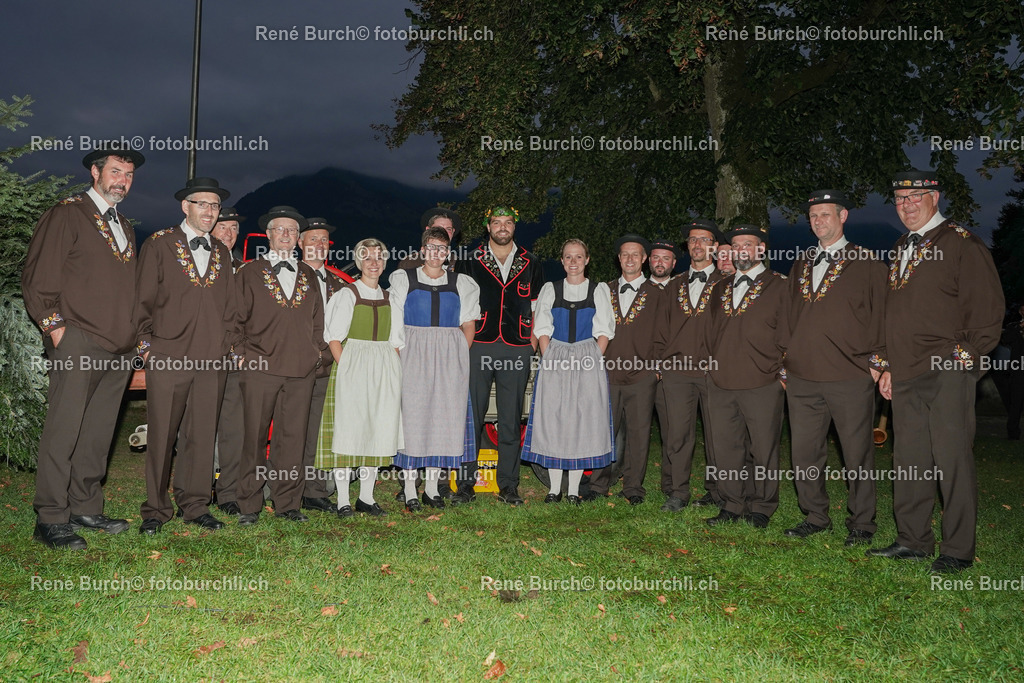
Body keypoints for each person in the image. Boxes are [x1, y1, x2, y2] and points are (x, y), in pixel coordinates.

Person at [869, 170, 1004, 574]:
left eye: (915, 197)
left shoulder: (963, 244)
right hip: (905, 372)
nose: (906, 205)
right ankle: (913, 540)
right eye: (899, 199)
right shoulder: (900, 246)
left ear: (935, 197)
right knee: (909, 459)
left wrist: (964, 357)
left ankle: (958, 550)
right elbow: (897, 314)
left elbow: (987, 310)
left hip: (946, 370)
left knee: (952, 460)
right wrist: (887, 363)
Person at [22, 142, 144, 549]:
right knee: (64, 429)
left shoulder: (124, 225)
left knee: (97, 432)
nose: (122, 181)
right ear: (95, 173)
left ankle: (85, 505)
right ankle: (52, 516)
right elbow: (38, 278)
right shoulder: (67, 213)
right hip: (78, 341)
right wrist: (58, 332)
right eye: (115, 172)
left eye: (127, 175)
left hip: (120, 348)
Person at [781, 190, 887, 546]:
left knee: (857, 453)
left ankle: (862, 523)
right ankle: (815, 515)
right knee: (805, 452)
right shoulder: (801, 262)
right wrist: (785, 362)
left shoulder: (868, 262)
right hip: (803, 377)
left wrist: (878, 362)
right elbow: (788, 317)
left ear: (843, 217)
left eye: (825, 214)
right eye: (813, 216)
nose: (818, 221)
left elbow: (883, 315)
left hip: (850, 375)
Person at [135, 177, 236, 534]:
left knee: (202, 434)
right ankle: (155, 509)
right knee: (162, 434)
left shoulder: (223, 253)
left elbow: (230, 307)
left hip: (212, 359)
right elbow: (143, 299)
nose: (209, 211)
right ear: (185, 206)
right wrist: (146, 347)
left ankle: (195, 505)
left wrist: (228, 346)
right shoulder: (160, 244)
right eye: (202, 204)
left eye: (215, 206)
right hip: (169, 354)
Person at [235, 206, 326, 526]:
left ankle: (288, 501)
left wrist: (316, 351)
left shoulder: (310, 275)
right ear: (269, 235)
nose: (286, 235)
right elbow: (235, 317)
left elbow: (318, 321)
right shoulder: (249, 272)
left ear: (298, 239)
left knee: (293, 439)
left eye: (292, 231)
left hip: (301, 370)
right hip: (260, 368)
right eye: (280, 229)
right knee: (254, 439)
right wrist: (241, 353)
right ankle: (249, 503)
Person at [456, 206, 544, 506]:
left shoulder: (531, 261)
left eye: (508, 222)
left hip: (516, 348)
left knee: (510, 419)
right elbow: (459, 305)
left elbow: (537, 306)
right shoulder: (470, 260)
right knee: (472, 417)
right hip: (479, 343)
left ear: (514, 227)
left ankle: (508, 484)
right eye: (497, 222)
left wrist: (530, 344)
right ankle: (466, 482)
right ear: (488, 226)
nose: (502, 227)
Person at [389, 227, 481, 510]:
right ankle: (409, 490)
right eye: (431, 247)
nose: (436, 253)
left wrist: (456, 356)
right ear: (422, 250)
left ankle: (432, 489)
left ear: (448, 253)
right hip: (412, 351)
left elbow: (468, 325)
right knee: (413, 420)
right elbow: (394, 321)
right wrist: (399, 355)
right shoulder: (403, 278)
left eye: (442, 248)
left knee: (443, 419)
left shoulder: (462, 283)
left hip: (448, 357)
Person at [704, 224, 788, 528]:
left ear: (761, 249)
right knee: (726, 447)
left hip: (762, 382)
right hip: (721, 383)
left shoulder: (780, 285)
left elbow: (789, 333)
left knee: (763, 448)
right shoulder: (719, 289)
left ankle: (762, 506)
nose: (741, 250)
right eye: (736, 245)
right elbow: (711, 334)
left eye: (748, 244)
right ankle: (732, 503)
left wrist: (782, 373)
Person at [521, 239, 615, 504]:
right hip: (556, 354)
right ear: (562, 261)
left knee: (582, 420)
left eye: (578, 257)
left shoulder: (599, 290)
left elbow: (605, 329)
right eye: (568, 257)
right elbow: (541, 327)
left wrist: (594, 356)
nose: (573, 262)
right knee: (554, 418)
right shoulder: (551, 289)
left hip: (587, 355)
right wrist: (549, 355)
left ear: (587, 260)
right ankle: (554, 488)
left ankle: (573, 489)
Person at [317, 239, 401, 516]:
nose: (373, 262)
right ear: (358, 262)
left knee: (378, 429)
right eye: (367, 258)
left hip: (383, 368)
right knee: (348, 431)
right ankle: (343, 499)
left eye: (379, 257)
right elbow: (334, 338)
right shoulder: (347, 294)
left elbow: (397, 342)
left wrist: (392, 374)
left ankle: (366, 497)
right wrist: (349, 369)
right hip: (353, 366)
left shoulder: (392, 299)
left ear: (385, 262)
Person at [587, 234, 664, 504]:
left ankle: (633, 487)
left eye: (635, 254)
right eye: (624, 254)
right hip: (606, 373)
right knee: (603, 430)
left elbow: (664, 333)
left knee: (639, 433)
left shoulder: (657, 294)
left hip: (642, 376)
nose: (630, 259)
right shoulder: (603, 290)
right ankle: (597, 485)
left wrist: (656, 368)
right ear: (618, 259)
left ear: (644, 259)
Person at [656, 219, 726, 511]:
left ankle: (717, 490)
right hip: (678, 372)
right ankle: (679, 491)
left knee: (718, 435)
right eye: (693, 240)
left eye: (704, 239)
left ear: (714, 245)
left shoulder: (727, 282)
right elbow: (661, 329)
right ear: (688, 246)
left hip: (714, 371)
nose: (697, 244)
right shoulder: (674, 285)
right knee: (678, 434)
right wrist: (661, 363)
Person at [298, 217, 345, 514]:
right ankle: (285, 489)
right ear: (300, 243)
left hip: (325, 368)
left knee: (316, 431)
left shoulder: (338, 283)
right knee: (289, 431)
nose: (319, 244)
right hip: (293, 366)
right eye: (313, 238)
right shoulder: (288, 276)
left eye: (323, 240)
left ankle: (313, 491)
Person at [210, 206, 244, 514]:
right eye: (224, 227)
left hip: (234, 360)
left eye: (234, 228)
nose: (229, 234)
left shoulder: (243, 269)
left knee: (233, 427)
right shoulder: (197, 262)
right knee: (197, 425)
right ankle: (198, 486)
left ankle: (228, 490)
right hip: (199, 357)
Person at [398, 207, 463, 270]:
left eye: (448, 229)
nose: (444, 232)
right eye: (438, 228)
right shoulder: (409, 263)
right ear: (428, 230)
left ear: (453, 232)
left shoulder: (461, 265)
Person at [1002, 303, 1024, 440]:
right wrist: (1020, 327)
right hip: (1018, 371)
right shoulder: (1013, 326)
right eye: (1023, 309)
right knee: (1016, 403)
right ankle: (1013, 434)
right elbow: (1005, 339)